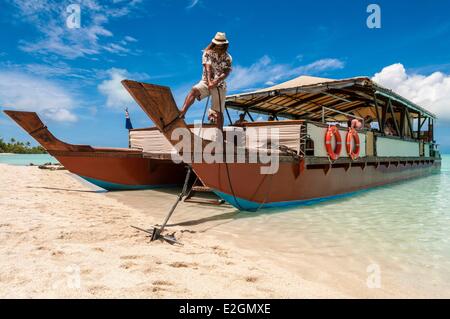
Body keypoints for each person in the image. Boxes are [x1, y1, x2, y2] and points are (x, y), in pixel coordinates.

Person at [179, 32, 232, 129]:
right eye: (217, 44)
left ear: (225, 45)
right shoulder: (207, 53)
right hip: (206, 81)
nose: (219, 46)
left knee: (218, 111)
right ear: (214, 43)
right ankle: (182, 112)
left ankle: (219, 134)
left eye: (221, 45)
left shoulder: (228, 57)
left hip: (220, 85)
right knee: (194, 90)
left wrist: (216, 81)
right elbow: (207, 68)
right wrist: (210, 82)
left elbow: (226, 72)